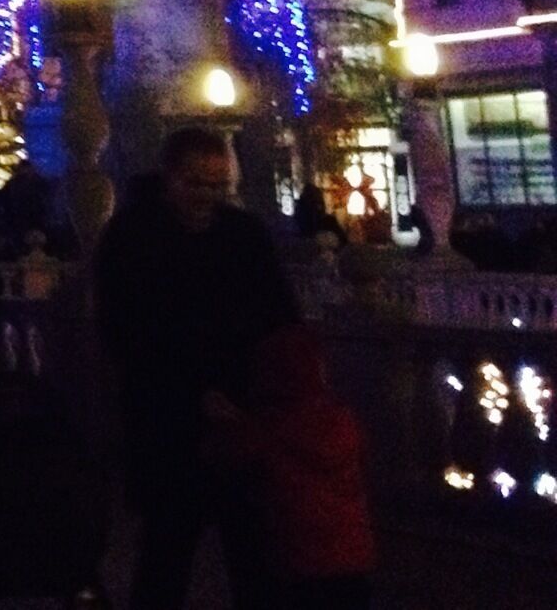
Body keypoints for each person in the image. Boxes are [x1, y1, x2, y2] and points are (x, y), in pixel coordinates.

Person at [95, 125, 300, 610]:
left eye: (216, 185)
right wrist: (191, 392)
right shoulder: (131, 237)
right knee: (168, 551)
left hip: (241, 418)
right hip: (167, 422)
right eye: (195, 184)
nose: (206, 196)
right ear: (169, 178)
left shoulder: (243, 235)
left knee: (253, 554)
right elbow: (126, 333)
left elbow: (279, 319)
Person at [207, 325, 376, 610]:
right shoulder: (342, 421)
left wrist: (224, 416)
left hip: (300, 563)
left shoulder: (268, 430)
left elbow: (221, 453)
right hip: (354, 559)